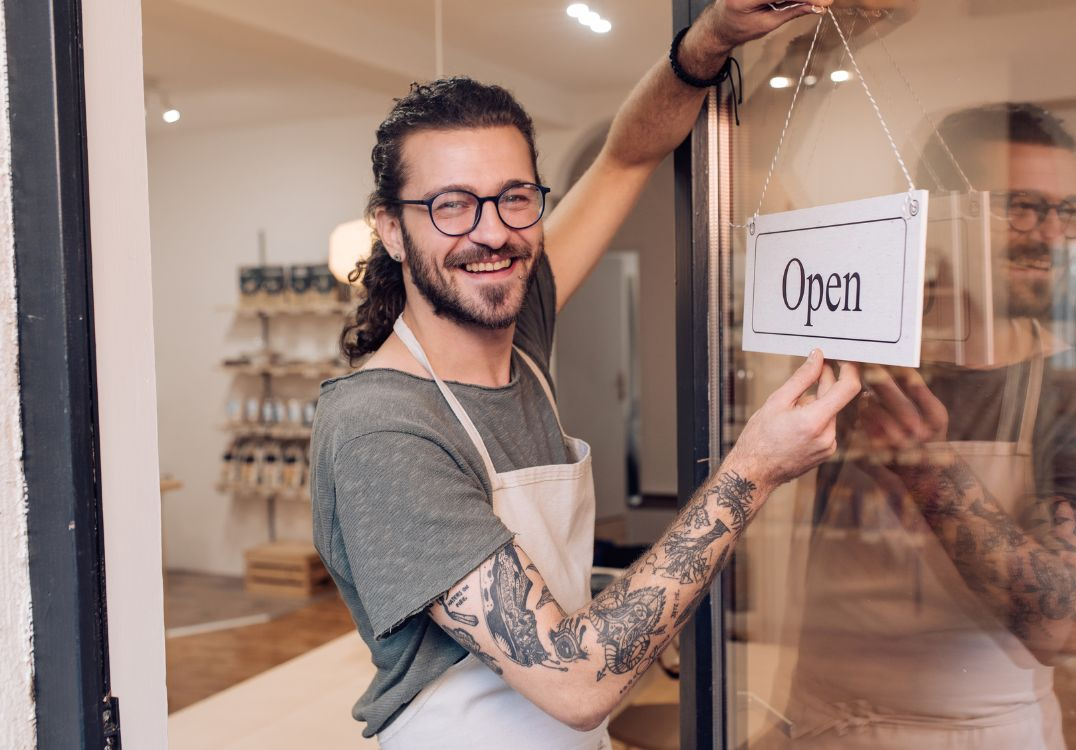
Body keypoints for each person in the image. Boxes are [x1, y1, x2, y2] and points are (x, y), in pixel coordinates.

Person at [309, 2, 860, 747]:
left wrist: (710, 40)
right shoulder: (381, 428)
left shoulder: (519, 328)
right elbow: (575, 682)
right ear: (390, 230)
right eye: (450, 206)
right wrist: (752, 471)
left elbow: (626, 157)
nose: (492, 232)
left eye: (514, 197)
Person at [767, 103, 1076, 749]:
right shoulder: (851, 356)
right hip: (818, 722)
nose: (1053, 236)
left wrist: (926, 467)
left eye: (1066, 212)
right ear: (940, 215)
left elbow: (1059, 627)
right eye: (1022, 208)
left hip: (986, 734)